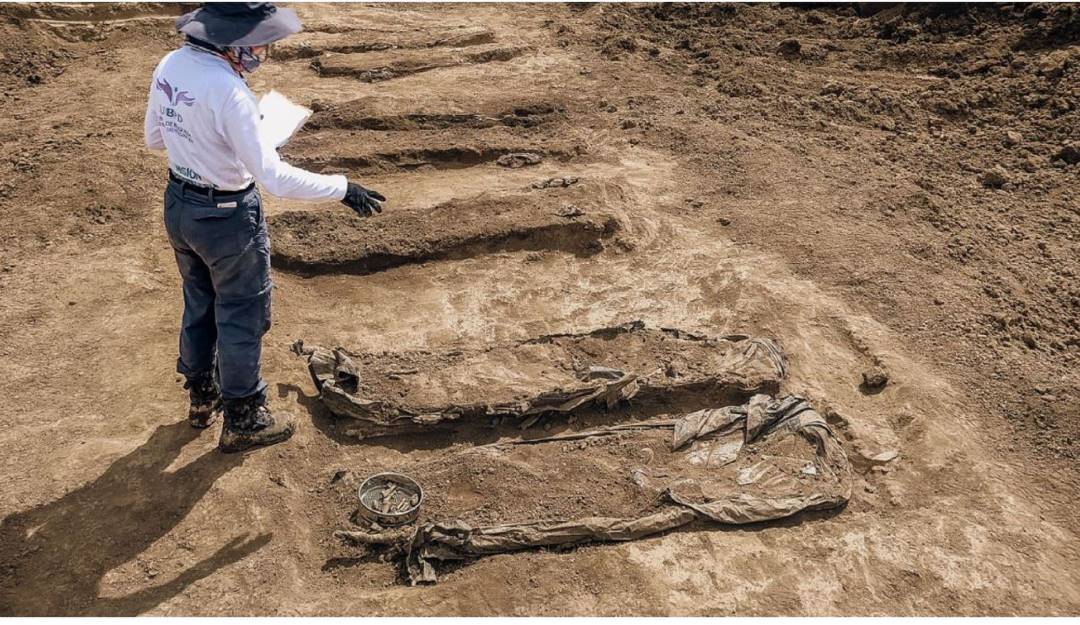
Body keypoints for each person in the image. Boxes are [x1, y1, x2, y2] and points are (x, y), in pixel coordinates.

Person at [143, 3, 385, 452]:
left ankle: (202, 397)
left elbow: (155, 138)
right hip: (228, 218)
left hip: (179, 204)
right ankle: (244, 416)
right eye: (260, 42)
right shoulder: (229, 90)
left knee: (199, 300)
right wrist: (342, 187)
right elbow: (271, 177)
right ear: (232, 42)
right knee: (240, 313)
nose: (265, 50)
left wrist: (213, 142)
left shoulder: (171, 64)